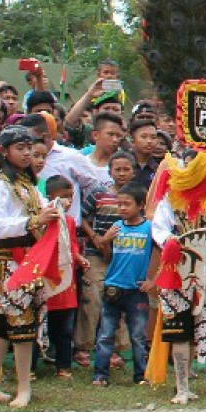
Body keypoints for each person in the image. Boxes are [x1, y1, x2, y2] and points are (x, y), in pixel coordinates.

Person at [0, 125, 61, 408]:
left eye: (29, 148)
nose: (27, 153)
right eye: (20, 148)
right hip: (8, 258)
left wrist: (52, 211)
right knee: (20, 323)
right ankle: (23, 387)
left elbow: (39, 209)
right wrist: (34, 222)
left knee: (3, 324)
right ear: (5, 152)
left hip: (27, 257)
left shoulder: (26, 182)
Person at [148, 190, 206, 403]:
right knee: (179, 330)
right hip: (178, 269)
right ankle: (182, 387)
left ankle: (185, 382)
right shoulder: (171, 198)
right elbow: (160, 230)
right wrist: (171, 241)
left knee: (197, 328)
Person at [92, 182, 153, 386]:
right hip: (113, 286)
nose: (122, 208)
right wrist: (106, 240)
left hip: (136, 289)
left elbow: (163, 254)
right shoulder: (116, 227)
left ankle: (140, 375)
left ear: (140, 205)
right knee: (106, 334)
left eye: (127, 204)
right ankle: (100, 374)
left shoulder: (149, 228)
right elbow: (108, 255)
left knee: (137, 335)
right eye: (119, 204)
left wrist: (153, 280)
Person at [78, 151, 135, 368]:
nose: (121, 173)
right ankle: (83, 346)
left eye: (126, 169)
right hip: (95, 254)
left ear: (133, 171)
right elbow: (82, 216)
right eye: (117, 169)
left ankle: (114, 349)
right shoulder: (99, 193)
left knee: (118, 300)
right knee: (92, 298)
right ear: (109, 171)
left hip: (124, 257)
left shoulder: (140, 196)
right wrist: (96, 238)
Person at [41, 175, 86, 379]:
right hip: (46, 280)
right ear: (49, 198)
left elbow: (72, 245)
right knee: (39, 324)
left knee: (65, 328)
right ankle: (32, 366)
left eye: (70, 197)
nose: (67, 202)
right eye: (63, 197)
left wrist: (78, 258)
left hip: (67, 283)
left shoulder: (69, 221)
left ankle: (64, 367)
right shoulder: (42, 220)